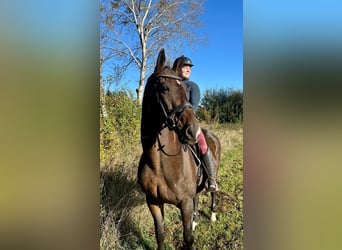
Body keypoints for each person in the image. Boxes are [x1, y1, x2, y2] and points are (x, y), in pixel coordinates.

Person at [172, 55, 218, 192]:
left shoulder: (192, 86)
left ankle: (211, 178)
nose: (188, 69)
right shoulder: (171, 85)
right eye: (184, 67)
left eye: (189, 67)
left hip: (188, 123)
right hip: (171, 123)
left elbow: (194, 107)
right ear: (176, 68)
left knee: (203, 144)